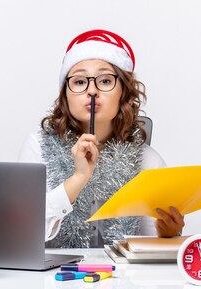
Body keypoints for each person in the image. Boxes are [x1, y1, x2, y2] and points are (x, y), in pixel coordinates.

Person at [19, 29, 185, 248]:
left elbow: (152, 249)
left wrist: (170, 234)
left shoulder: (148, 161)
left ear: (124, 93)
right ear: (65, 94)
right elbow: (20, 233)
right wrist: (77, 178)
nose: (92, 91)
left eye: (105, 81)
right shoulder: (38, 148)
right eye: (79, 82)